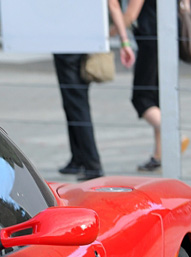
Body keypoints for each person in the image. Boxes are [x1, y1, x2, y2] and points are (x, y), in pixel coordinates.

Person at [55, 0, 136, 181]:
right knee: (72, 102)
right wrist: (124, 41)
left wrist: (124, 42)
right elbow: (113, 5)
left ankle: (92, 164)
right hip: (85, 37)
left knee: (76, 103)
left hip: (66, 39)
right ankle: (78, 158)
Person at [125, 0, 191, 171]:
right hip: (169, 39)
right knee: (157, 98)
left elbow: (131, 15)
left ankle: (174, 137)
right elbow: (186, 5)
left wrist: (107, 33)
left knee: (141, 98)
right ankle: (159, 155)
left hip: (150, 41)